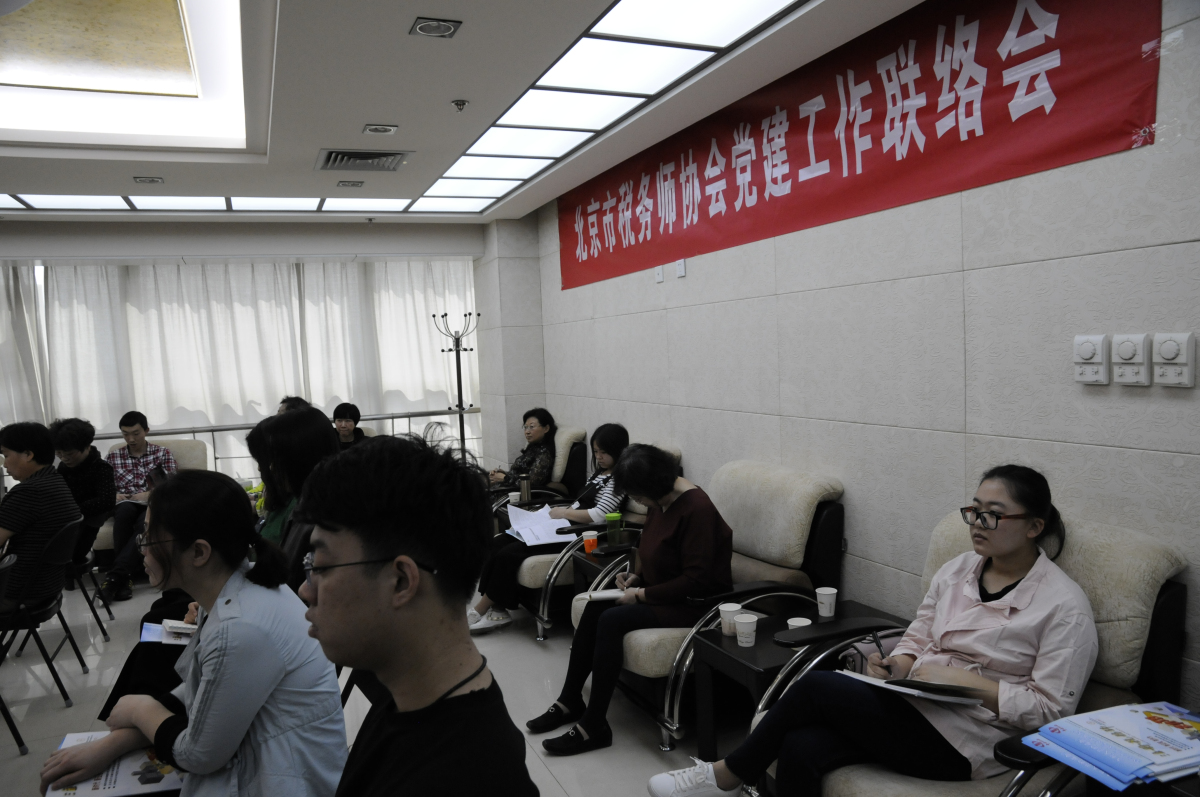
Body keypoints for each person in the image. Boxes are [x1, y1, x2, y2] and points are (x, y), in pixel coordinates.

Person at [646, 464, 1098, 797]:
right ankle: (731, 773)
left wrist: (971, 684)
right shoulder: (959, 568)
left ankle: (727, 773)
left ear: (1035, 526)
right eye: (973, 511)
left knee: (818, 687)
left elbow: (1052, 713)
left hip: (973, 739)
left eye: (993, 515)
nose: (977, 525)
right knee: (801, 746)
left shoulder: (1063, 606)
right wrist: (900, 660)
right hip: (915, 703)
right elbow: (921, 630)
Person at [40, 470, 347, 797]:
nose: (142, 549)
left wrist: (141, 710)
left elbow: (198, 756)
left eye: (148, 538)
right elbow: (208, 688)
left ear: (199, 552)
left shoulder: (240, 627)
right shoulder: (243, 587)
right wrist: (120, 740)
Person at [296, 435, 539, 797]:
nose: (305, 590)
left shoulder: (468, 777)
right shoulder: (405, 700)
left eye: (319, 566)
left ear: (400, 581)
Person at [529, 443, 733, 756]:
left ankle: (594, 725)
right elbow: (654, 551)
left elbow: (697, 579)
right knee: (595, 607)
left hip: (696, 604)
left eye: (638, 496)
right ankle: (570, 700)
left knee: (612, 619)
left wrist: (641, 594)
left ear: (653, 485)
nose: (637, 502)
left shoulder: (697, 509)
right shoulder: (660, 501)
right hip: (663, 593)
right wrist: (636, 577)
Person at [468, 423, 630, 634]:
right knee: (498, 541)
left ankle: (483, 609)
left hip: (580, 533)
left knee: (510, 553)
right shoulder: (600, 473)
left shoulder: (619, 479)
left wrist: (564, 513)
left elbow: (599, 514)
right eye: (596, 451)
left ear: (618, 451)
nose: (598, 457)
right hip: (564, 524)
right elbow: (579, 503)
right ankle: (495, 608)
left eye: (604, 452)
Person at [246, 407, 340, 591]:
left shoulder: (317, 515)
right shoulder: (306, 503)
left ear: (299, 458)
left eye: (277, 459)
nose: (270, 468)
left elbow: (294, 584)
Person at [0, 422, 80, 612]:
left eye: (6, 455)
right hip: (47, 587)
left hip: (17, 593)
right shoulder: (55, 481)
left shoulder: (29, 492)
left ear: (28, 454)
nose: (4, 464)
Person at [101, 411, 177, 602]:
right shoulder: (113, 456)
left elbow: (172, 486)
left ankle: (119, 576)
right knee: (125, 512)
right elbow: (103, 488)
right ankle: (123, 575)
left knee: (144, 521)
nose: (131, 439)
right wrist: (114, 495)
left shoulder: (162, 453)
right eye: (125, 434)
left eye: (136, 433)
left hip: (153, 503)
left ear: (146, 431)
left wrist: (150, 494)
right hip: (124, 503)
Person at [49, 417, 116, 572]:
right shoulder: (63, 467)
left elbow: (107, 501)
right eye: (59, 454)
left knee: (51, 557)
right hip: (67, 524)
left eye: (69, 454)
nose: (64, 458)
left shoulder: (101, 468)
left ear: (87, 446)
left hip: (85, 530)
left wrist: (72, 510)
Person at [488, 408, 556, 491]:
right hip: (507, 490)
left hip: (518, 495)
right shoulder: (533, 447)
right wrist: (502, 474)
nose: (527, 432)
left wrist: (505, 478)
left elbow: (530, 483)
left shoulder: (544, 454)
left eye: (532, 427)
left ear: (546, 428)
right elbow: (520, 473)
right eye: (525, 427)